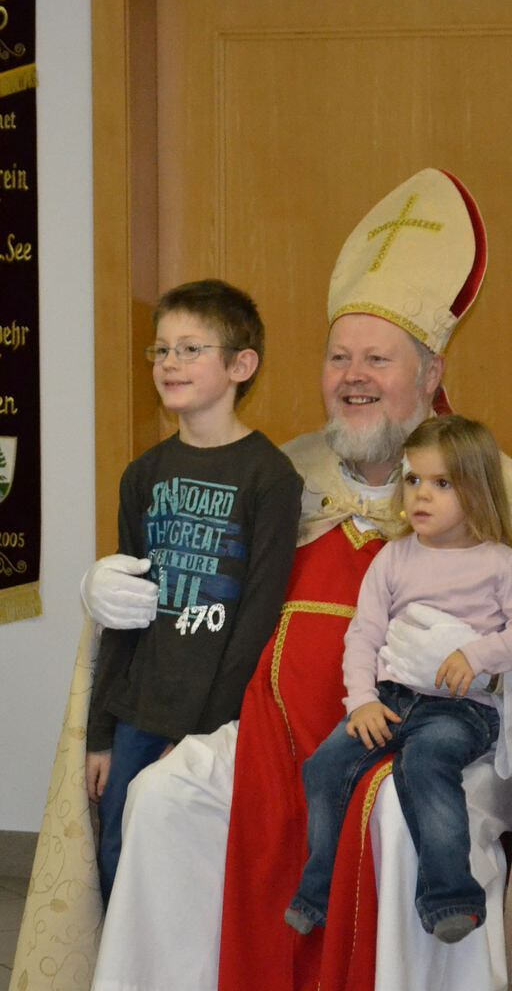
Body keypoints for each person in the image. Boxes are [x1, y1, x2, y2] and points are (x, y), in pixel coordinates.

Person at [9, 170, 512, 991]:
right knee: (160, 798)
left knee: (405, 822)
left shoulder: (499, 492)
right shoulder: (282, 472)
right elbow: (197, 577)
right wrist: (110, 596)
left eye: (376, 358)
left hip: (444, 733)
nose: (352, 375)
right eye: (338, 357)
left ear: (430, 371)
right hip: (274, 728)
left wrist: (476, 658)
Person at [285, 415, 512, 944]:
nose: (421, 495)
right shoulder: (393, 557)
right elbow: (363, 635)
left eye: (442, 483)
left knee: (426, 760)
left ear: (476, 490)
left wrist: (477, 653)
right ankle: (318, 893)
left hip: (461, 708)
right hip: (392, 698)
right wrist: (362, 700)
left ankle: (450, 898)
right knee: (325, 766)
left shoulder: (498, 563)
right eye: (412, 480)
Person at [85, 278, 303, 903]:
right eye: (161, 350)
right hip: (139, 709)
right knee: (119, 851)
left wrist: (207, 732)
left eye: (190, 349)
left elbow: (258, 617)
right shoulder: (143, 474)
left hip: (217, 718)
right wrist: (101, 732)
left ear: (241, 365)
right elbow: (124, 612)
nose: (169, 363)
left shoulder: (270, 477)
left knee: (192, 863)